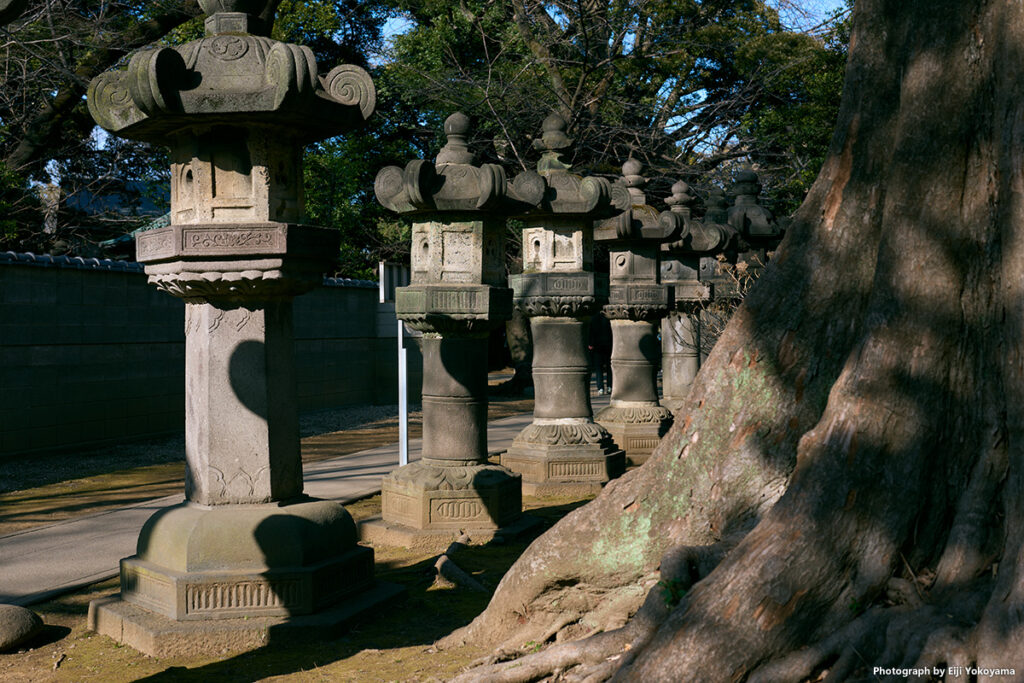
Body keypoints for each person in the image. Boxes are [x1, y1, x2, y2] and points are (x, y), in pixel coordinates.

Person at [588, 312, 612, 394]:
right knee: (609, 367)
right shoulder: (608, 318)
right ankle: (609, 386)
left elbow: (591, 332)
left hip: (597, 346)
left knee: (599, 368)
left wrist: (590, 343)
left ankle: (600, 388)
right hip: (608, 345)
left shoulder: (594, 318)